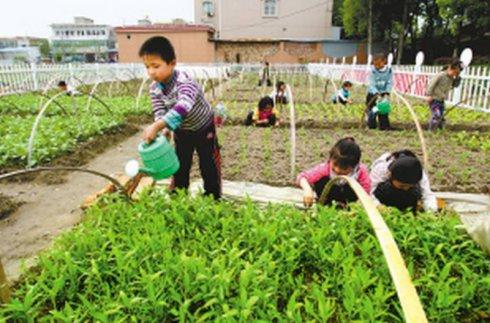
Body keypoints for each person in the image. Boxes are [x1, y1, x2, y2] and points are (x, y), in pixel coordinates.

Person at [139, 36, 221, 199]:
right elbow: (159, 111)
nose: (151, 72)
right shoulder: (154, 88)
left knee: (208, 163)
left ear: (172, 63)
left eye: (156, 66)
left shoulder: (185, 81)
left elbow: (184, 106)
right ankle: (179, 196)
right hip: (182, 130)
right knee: (180, 164)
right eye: (147, 67)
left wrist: (157, 126)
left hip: (203, 127)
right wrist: (164, 130)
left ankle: (213, 198)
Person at [297, 137, 370, 208]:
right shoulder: (325, 168)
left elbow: (365, 192)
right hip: (328, 199)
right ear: (330, 158)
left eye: (344, 168)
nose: (337, 170)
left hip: (350, 202)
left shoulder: (360, 172)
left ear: (354, 166)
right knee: (322, 180)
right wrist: (307, 190)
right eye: (335, 164)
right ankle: (324, 207)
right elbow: (302, 177)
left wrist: (357, 206)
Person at [370, 150, 437, 213]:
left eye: (410, 185)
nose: (406, 188)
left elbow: (427, 194)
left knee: (414, 192)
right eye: (402, 185)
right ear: (390, 174)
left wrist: (431, 213)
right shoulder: (381, 169)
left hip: (407, 198)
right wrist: (379, 207)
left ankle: (409, 212)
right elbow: (369, 192)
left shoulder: (417, 172)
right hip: (387, 194)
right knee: (385, 189)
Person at [426, 60, 463, 130]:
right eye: (454, 72)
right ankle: (431, 131)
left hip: (441, 100)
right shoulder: (441, 75)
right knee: (437, 115)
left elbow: (455, 85)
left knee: (441, 117)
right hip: (434, 99)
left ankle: (441, 131)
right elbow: (431, 85)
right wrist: (429, 95)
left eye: (455, 74)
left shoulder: (451, 78)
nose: (453, 75)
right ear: (450, 68)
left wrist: (458, 77)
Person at [365, 53, 393, 130]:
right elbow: (372, 84)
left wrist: (387, 92)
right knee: (373, 111)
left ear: (384, 62)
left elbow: (389, 82)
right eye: (375, 64)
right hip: (372, 95)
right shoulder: (373, 71)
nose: (376, 66)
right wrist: (376, 94)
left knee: (383, 110)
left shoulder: (389, 71)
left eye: (378, 64)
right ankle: (371, 126)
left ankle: (384, 127)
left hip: (383, 94)